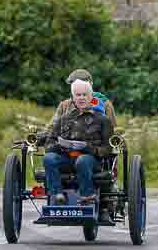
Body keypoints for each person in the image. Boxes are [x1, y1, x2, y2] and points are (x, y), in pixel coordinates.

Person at [43, 79, 113, 220]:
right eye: (78, 95)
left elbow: (107, 149)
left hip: (91, 161)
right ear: (73, 98)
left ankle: (87, 196)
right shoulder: (64, 119)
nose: (81, 98)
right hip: (67, 157)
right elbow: (49, 143)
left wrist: (89, 148)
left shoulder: (103, 120)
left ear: (91, 97)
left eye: (84, 95)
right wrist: (60, 146)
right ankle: (57, 194)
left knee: (82, 160)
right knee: (49, 158)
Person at [50, 69, 117, 130]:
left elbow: (113, 129)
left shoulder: (104, 103)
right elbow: (52, 127)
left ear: (90, 85)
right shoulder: (65, 105)